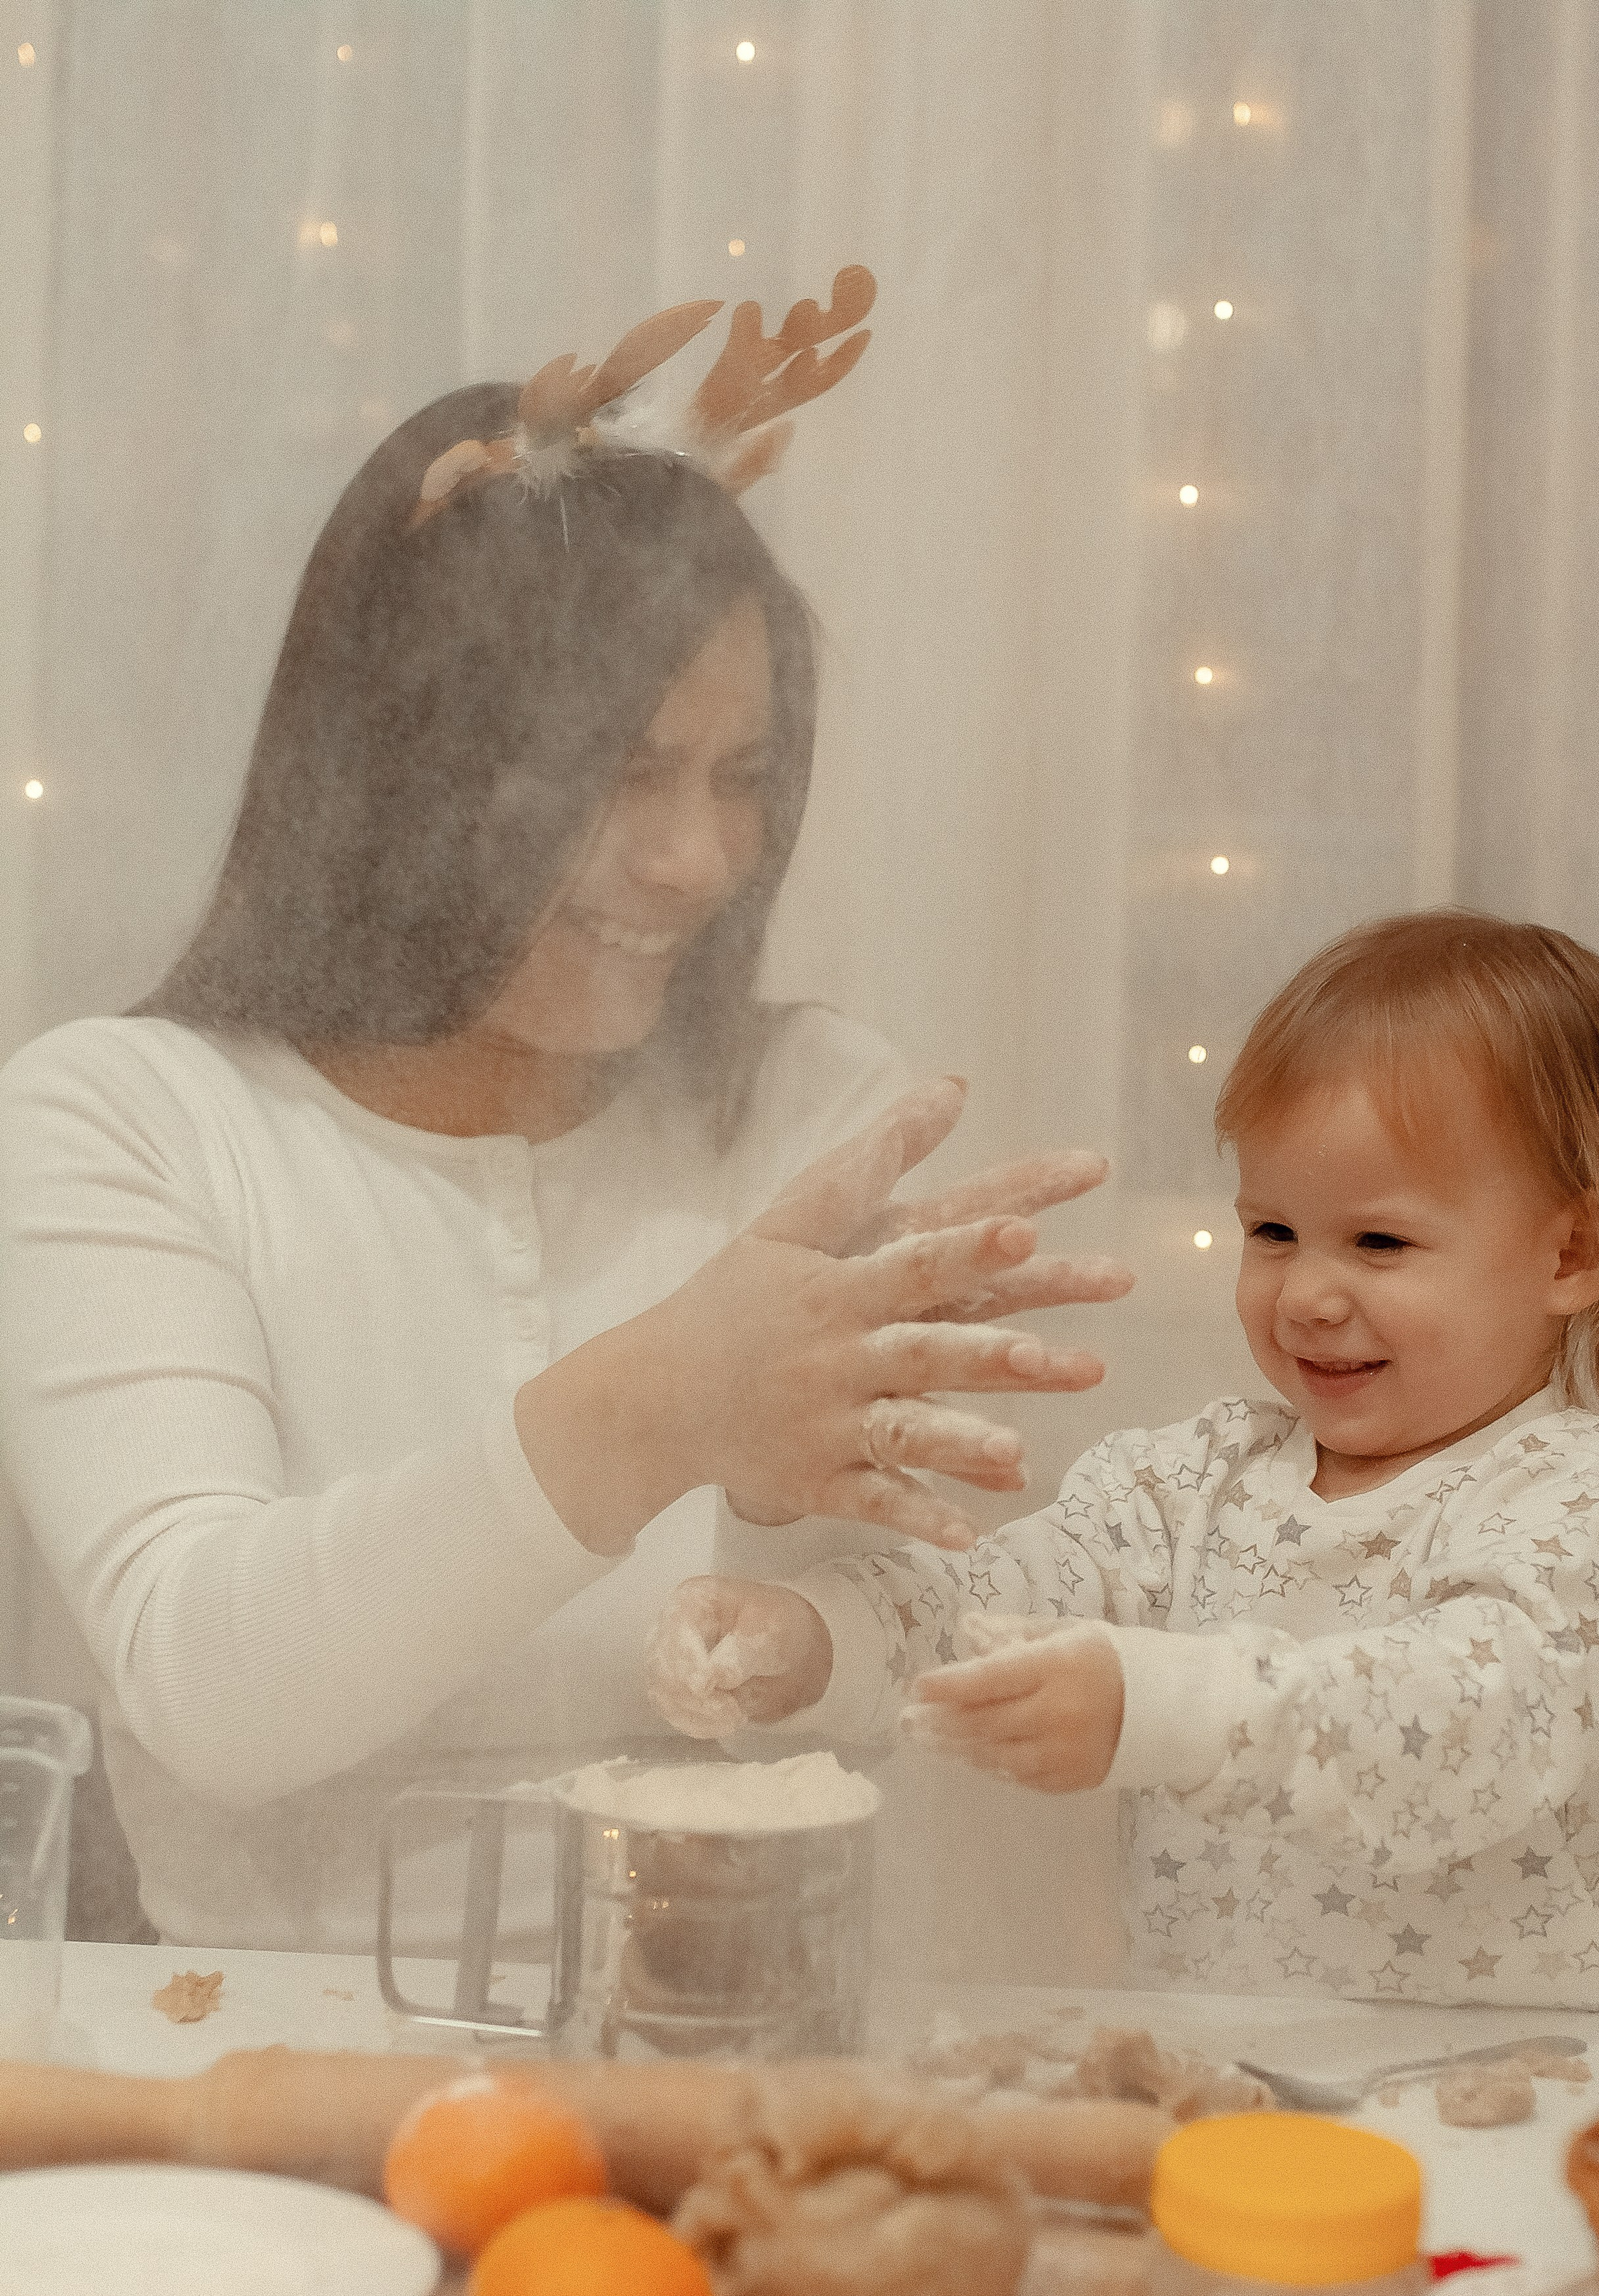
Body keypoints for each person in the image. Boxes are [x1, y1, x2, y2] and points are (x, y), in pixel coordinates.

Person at [0, 285, 1130, 1951]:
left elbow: (959, 1638)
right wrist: (654, 1411)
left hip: (761, 2048)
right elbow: (208, 1691)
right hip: (264, 2079)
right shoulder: (127, 1119)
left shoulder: (819, 1113)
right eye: (617, 774)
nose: (695, 861)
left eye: (739, 776)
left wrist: (833, 1615)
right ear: (399, 773)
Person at [650, 913, 1599, 2011]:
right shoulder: (1194, 1480)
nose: (1309, 1295)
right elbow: (992, 1603)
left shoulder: (1578, 1504)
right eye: (1273, 1233)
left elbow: (1466, 1727)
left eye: (1380, 1242)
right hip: (1233, 2078)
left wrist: (1169, 1708)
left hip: (1506, 2097)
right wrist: (810, 1640)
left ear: (1573, 1254)